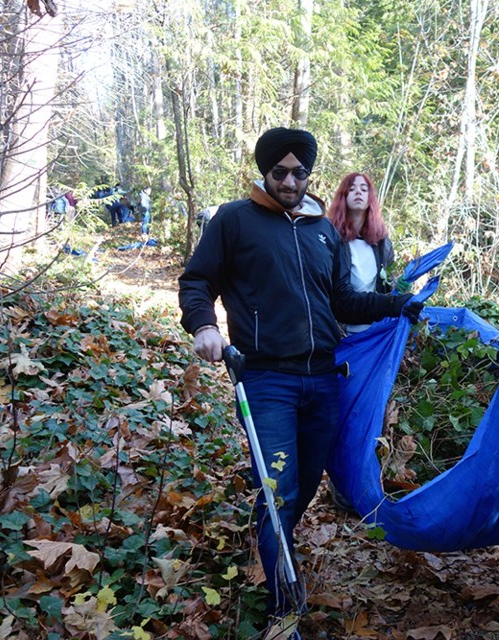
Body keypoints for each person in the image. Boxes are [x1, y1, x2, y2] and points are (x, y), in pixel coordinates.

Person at [178, 127, 423, 624]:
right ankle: (282, 608)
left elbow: (343, 299)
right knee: (278, 489)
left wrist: (399, 303)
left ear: (310, 174)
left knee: (304, 485)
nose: (290, 181)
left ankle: (271, 547)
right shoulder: (234, 220)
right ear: (264, 171)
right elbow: (197, 280)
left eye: (299, 172)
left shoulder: (321, 230)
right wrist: (204, 325)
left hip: (323, 379)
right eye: (280, 171)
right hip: (267, 380)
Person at [327, 172, 404, 335]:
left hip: (375, 332)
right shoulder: (331, 238)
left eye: (363, 188)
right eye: (352, 188)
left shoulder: (382, 243)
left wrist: (399, 285)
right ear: (343, 196)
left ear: (370, 197)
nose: (358, 192)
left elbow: (387, 285)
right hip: (341, 332)